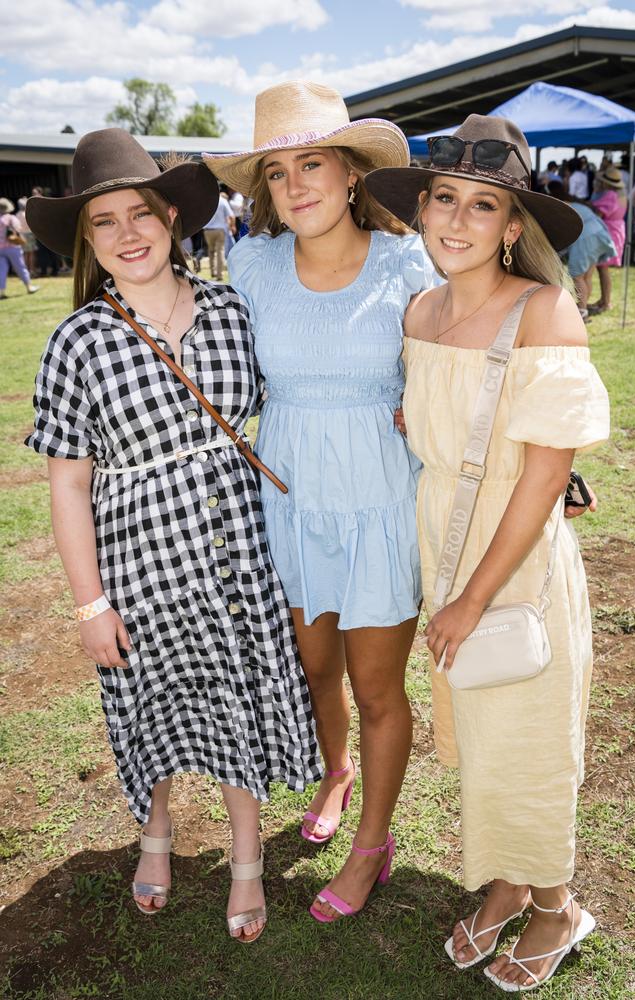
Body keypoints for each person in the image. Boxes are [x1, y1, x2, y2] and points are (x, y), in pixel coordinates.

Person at [25, 128, 320, 942]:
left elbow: (297, 394)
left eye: (140, 214)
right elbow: (67, 483)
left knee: (235, 699)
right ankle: (153, 836)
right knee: (147, 702)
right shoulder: (78, 340)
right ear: (88, 243)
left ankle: (246, 852)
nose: (128, 234)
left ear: (170, 218)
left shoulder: (231, 309)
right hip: (139, 561)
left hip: (239, 552)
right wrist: (89, 606)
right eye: (105, 223)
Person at [366, 114, 609, 992]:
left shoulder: (544, 310)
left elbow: (544, 479)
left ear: (514, 227)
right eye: (444, 199)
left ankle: (557, 905)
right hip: (444, 535)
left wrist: (469, 599)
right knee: (482, 728)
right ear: (423, 209)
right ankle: (508, 881)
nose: (457, 221)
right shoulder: (421, 309)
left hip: (514, 558)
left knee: (530, 733)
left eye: (483, 206)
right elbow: (450, 423)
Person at [203, 80, 437, 923]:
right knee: (314, 666)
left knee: (378, 686)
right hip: (291, 495)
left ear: (350, 176)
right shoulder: (253, 265)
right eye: (276, 172)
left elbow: (464, 354)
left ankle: (373, 844)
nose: (295, 185)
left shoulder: (410, 261)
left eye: (313, 164)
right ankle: (335, 770)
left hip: (379, 496)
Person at [547, 181, 616, 317]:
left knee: (577, 277)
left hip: (587, 237)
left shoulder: (562, 206)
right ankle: (583, 307)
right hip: (599, 234)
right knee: (587, 276)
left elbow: (563, 231)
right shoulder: (575, 203)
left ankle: (581, 312)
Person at [588, 166, 627, 313]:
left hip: (609, 231)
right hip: (616, 230)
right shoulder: (620, 194)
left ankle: (606, 302)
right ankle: (604, 299)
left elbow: (599, 213)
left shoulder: (610, 194)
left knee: (603, 267)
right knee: (602, 267)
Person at [0, 197, 40, 299]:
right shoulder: (10, 218)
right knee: (20, 267)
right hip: (12, 246)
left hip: (0, 249)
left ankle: (2, 292)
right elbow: (18, 228)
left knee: (2, 270)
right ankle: (29, 287)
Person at [203, 184, 236, 280]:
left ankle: (213, 272)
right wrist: (233, 226)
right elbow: (232, 215)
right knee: (220, 251)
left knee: (211, 251)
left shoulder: (206, 201)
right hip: (220, 230)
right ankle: (219, 274)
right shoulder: (223, 201)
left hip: (207, 230)